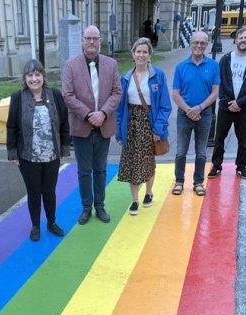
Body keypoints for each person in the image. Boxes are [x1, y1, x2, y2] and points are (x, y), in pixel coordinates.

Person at [62, 25, 122, 225]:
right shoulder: (71, 65)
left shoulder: (111, 64)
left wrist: (103, 113)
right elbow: (67, 95)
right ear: (82, 40)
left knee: (101, 169)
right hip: (82, 127)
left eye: (95, 38)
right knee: (84, 170)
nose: (91, 42)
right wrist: (89, 115)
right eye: (88, 38)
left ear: (100, 40)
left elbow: (117, 92)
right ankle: (86, 207)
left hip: (104, 125)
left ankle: (100, 206)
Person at [6, 59, 70, 241]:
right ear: (25, 78)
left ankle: (51, 222)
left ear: (43, 76)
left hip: (51, 155)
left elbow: (64, 123)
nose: (34, 79)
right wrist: (12, 152)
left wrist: (64, 148)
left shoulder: (55, 95)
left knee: (49, 191)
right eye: (30, 75)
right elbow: (12, 127)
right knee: (33, 192)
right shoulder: (18, 97)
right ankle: (35, 225)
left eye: (37, 74)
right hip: (28, 157)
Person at [115, 37, 172, 216]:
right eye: (138, 51)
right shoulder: (124, 78)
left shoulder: (158, 76)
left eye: (144, 52)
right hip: (130, 123)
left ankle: (148, 192)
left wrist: (158, 129)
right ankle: (134, 200)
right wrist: (119, 131)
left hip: (149, 123)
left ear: (149, 55)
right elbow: (119, 108)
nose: (141, 55)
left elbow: (165, 106)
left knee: (147, 161)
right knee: (132, 162)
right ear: (133, 54)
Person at [208, 28, 246, 180]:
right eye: (241, 37)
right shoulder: (225, 59)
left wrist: (240, 102)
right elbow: (219, 83)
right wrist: (227, 102)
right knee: (219, 138)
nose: (243, 40)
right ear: (236, 40)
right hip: (226, 107)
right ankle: (216, 166)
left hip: (243, 108)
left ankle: (241, 167)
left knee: (243, 139)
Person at [171, 31, 220, 196]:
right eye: (196, 42)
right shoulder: (180, 67)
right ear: (190, 44)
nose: (199, 46)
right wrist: (189, 110)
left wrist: (199, 108)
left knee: (201, 152)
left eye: (202, 43)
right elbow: (176, 94)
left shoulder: (213, 66)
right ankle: (179, 181)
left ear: (207, 45)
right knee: (180, 152)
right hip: (184, 114)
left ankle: (198, 182)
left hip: (204, 114)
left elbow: (215, 93)